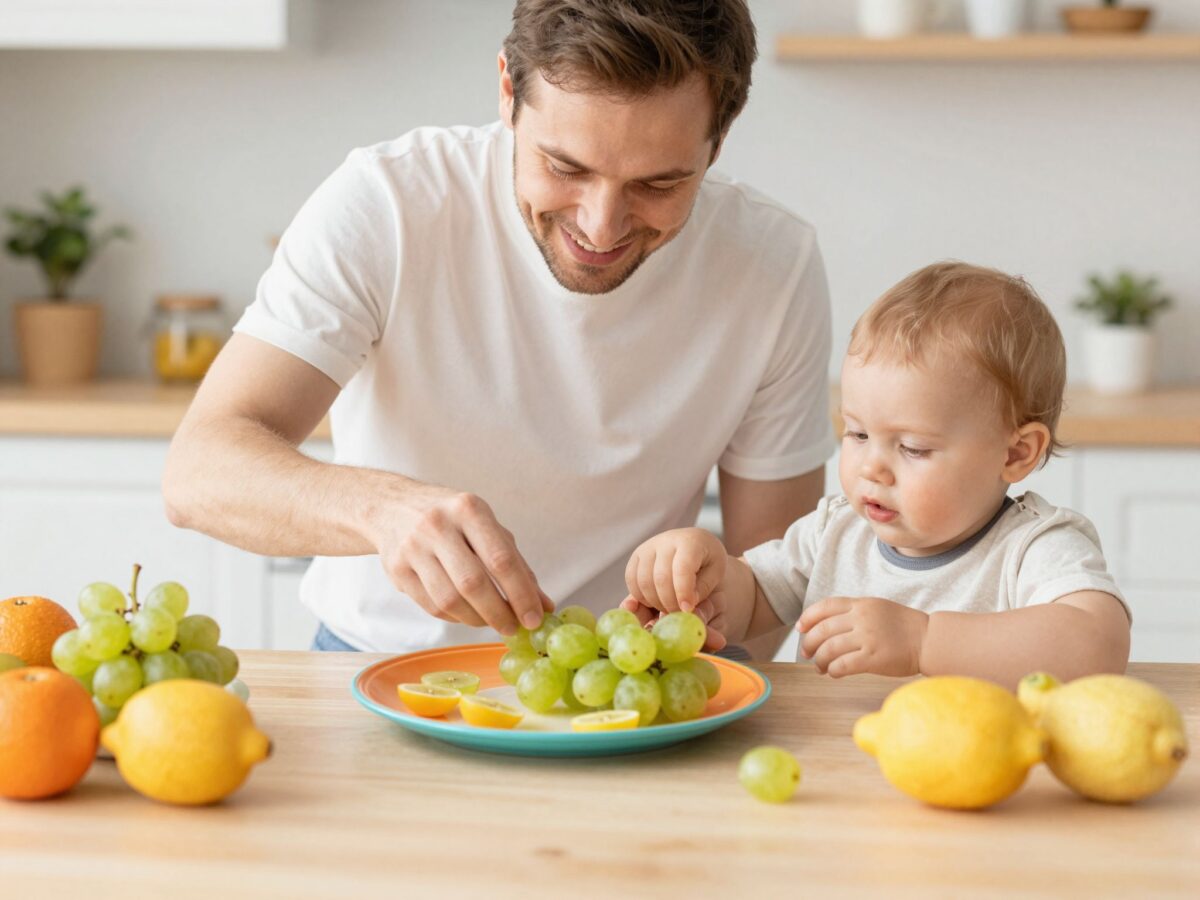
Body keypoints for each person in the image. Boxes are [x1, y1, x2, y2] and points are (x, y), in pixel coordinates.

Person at [162, 0, 836, 653]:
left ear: (723, 130)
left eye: (658, 185)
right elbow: (199, 471)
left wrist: (703, 639)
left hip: (624, 682)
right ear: (508, 90)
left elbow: (774, 578)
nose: (601, 226)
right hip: (371, 659)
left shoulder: (773, 265)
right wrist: (380, 509)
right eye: (565, 168)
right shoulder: (389, 204)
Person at [622, 262, 1132, 687]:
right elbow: (753, 599)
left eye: (912, 447)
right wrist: (701, 578)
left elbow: (1099, 643)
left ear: (1017, 454)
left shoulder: (1033, 547)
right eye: (858, 434)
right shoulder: (835, 531)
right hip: (832, 773)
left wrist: (923, 641)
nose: (871, 467)